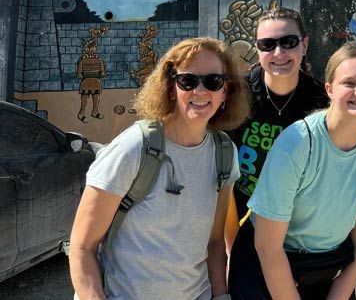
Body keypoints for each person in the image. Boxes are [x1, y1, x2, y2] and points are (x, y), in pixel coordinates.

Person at [69, 37, 250, 300]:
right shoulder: (133, 148)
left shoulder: (224, 153)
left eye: (213, 81)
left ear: (225, 91)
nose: (200, 91)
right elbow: (82, 248)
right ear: (170, 87)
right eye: (188, 81)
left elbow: (213, 242)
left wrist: (221, 295)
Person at [229, 43, 356, 299]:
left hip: (326, 266)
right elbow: (268, 247)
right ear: (329, 89)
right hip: (267, 261)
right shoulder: (298, 142)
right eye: (350, 82)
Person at [225, 7, 328, 285]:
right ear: (257, 49)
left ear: (304, 44)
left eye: (288, 42)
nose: (279, 53)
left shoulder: (322, 103)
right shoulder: (236, 95)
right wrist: (228, 247)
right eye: (267, 44)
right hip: (240, 214)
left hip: (298, 224)